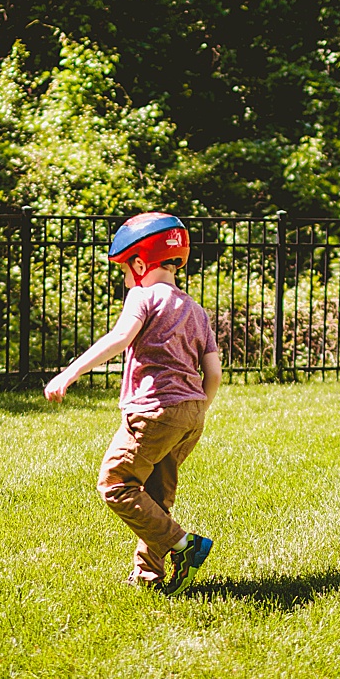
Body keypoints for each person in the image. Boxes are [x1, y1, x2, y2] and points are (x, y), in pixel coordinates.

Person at [44, 212, 222, 598]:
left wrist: (69, 374)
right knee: (156, 495)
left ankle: (185, 544)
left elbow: (120, 338)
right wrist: (197, 407)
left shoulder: (142, 295)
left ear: (141, 263)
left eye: (125, 269)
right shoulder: (196, 310)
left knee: (116, 485)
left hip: (153, 410)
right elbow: (214, 372)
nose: (125, 278)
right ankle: (149, 575)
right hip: (191, 414)